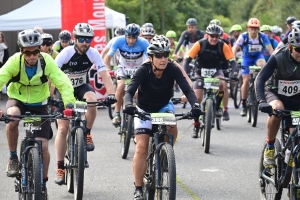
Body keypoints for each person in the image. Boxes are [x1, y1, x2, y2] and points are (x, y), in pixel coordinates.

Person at [123, 35, 201, 200]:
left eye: (165, 54)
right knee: (141, 147)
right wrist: (129, 105)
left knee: (172, 129)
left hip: (164, 107)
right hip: (144, 110)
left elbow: (187, 89)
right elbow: (129, 92)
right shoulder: (143, 69)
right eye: (158, 55)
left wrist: (195, 105)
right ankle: (138, 188)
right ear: (151, 57)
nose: (163, 59)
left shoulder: (173, 68)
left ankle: (165, 155)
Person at [0, 29, 76, 199]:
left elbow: (63, 82)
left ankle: (43, 183)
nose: (32, 56)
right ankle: (13, 158)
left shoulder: (47, 61)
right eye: (28, 52)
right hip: (17, 99)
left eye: (35, 51)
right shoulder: (14, 62)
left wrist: (69, 103)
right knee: (11, 117)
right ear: (21, 51)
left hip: (39, 104)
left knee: (42, 146)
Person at [53, 23, 116, 185]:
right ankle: (60, 167)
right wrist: (50, 97)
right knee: (62, 129)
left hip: (81, 87)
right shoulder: (66, 53)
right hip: (64, 90)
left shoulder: (93, 53)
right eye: (81, 39)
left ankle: (87, 133)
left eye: (88, 39)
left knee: (92, 99)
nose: (85, 43)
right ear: (75, 39)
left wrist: (111, 94)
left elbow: (104, 75)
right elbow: (51, 77)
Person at [255, 27, 300, 168]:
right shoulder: (279, 57)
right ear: (289, 47)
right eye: (298, 49)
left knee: (297, 142)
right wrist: (261, 101)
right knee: (277, 110)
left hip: (295, 98)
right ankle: (270, 146)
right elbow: (260, 78)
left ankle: (295, 182)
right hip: (275, 92)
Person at [183, 24, 238, 138]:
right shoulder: (200, 44)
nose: (214, 39)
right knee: (197, 98)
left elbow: (232, 61)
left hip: (216, 71)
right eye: (212, 36)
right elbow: (187, 60)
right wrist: (186, 72)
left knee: (222, 84)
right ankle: (196, 124)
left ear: (219, 37)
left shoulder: (223, 45)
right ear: (207, 35)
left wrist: (234, 72)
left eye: (216, 36)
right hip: (200, 72)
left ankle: (217, 107)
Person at [103, 23, 149, 126]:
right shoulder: (118, 41)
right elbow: (107, 58)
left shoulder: (144, 43)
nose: (131, 41)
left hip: (139, 68)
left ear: (138, 36)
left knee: (142, 89)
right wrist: (108, 70)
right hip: (123, 67)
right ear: (125, 35)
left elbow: (149, 59)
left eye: (134, 38)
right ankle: (117, 114)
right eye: (128, 37)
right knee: (120, 86)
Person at [232, 18, 273, 116]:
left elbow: (271, 50)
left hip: (258, 56)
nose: (254, 31)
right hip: (246, 58)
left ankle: (260, 93)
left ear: (258, 29)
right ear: (248, 29)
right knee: (245, 80)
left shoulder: (262, 37)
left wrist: (274, 62)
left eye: (256, 29)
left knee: (263, 67)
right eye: (252, 29)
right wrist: (233, 60)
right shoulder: (243, 36)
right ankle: (244, 103)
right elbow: (235, 48)